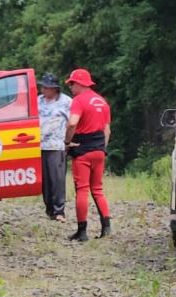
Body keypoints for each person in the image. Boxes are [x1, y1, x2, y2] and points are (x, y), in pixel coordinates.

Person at [63, 68, 112, 242]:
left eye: (72, 83)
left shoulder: (78, 101)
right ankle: (106, 228)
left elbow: (72, 124)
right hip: (99, 149)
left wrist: (67, 142)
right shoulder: (102, 101)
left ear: (80, 83)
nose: (70, 87)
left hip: (82, 150)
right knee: (97, 189)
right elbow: (107, 130)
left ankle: (82, 232)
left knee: (82, 190)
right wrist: (102, 148)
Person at [38, 73, 72, 222]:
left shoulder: (66, 102)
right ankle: (49, 209)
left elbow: (73, 122)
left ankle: (59, 210)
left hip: (56, 144)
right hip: (39, 144)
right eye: (43, 87)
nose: (43, 90)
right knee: (45, 180)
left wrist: (69, 141)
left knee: (57, 179)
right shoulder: (38, 100)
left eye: (47, 87)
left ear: (54, 89)